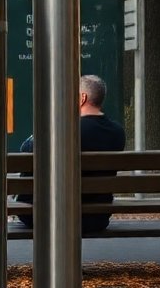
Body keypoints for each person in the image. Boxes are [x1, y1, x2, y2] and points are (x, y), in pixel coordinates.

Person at [16, 74, 126, 233]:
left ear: (82, 97)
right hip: (97, 217)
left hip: (51, 216)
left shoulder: (67, 129)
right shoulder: (118, 132)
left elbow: (26, 149)